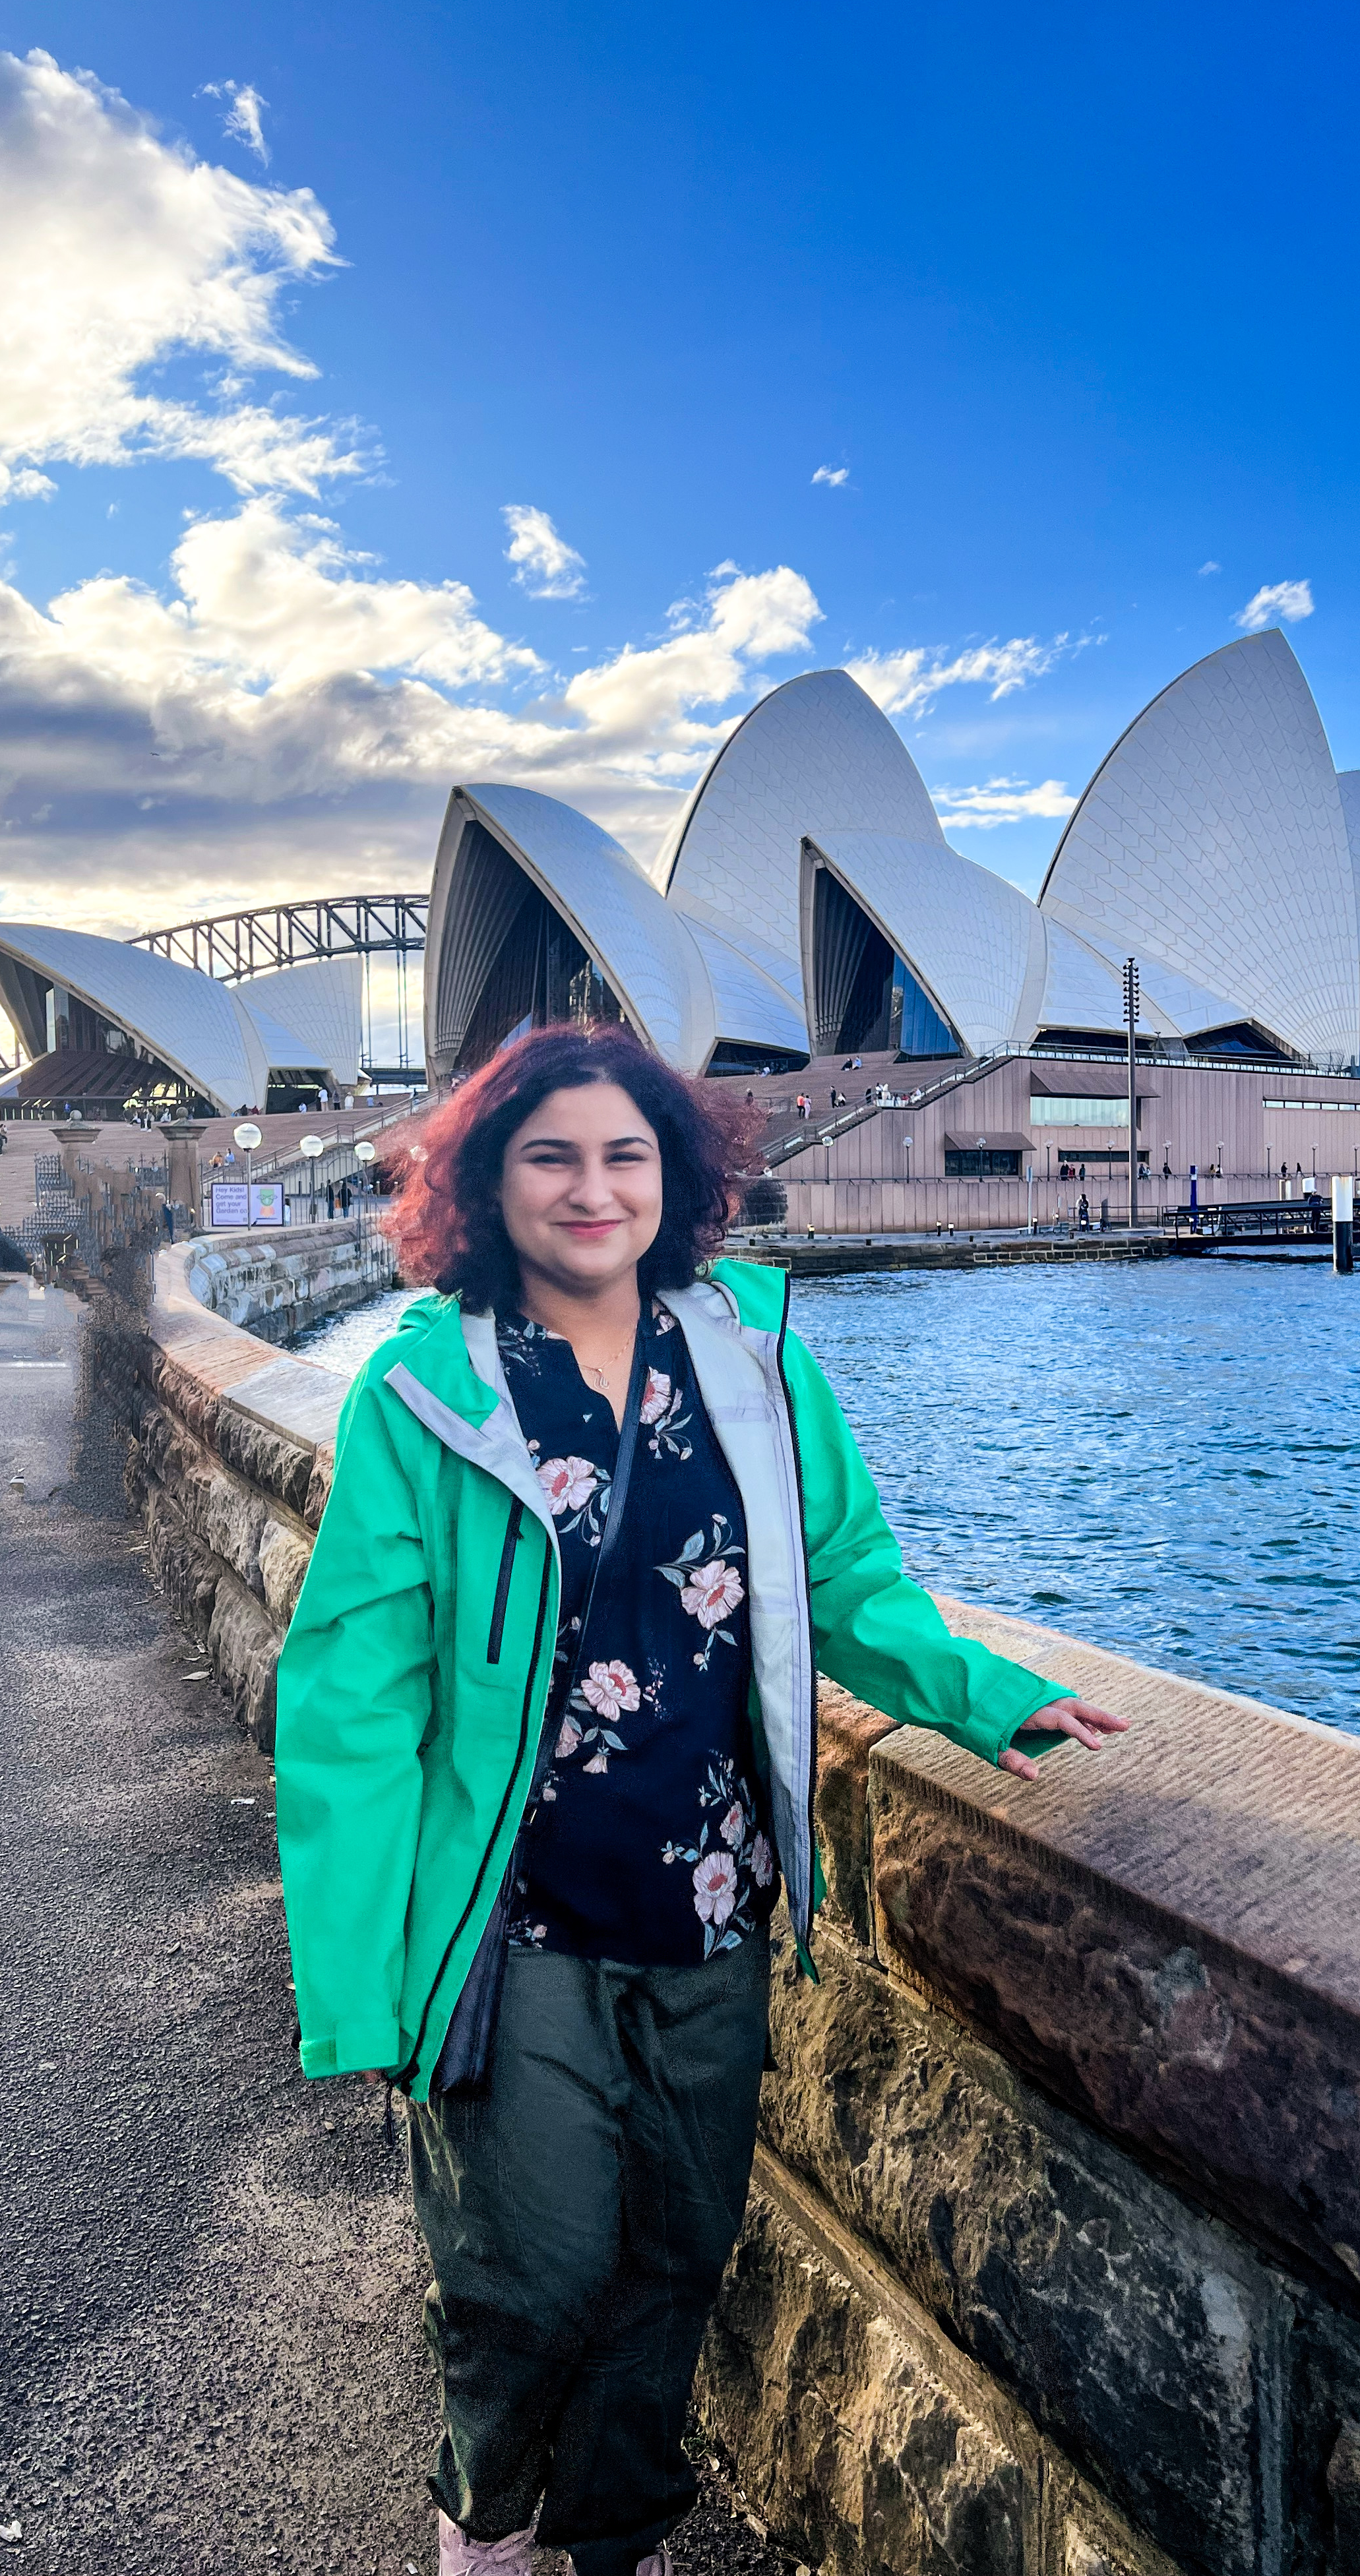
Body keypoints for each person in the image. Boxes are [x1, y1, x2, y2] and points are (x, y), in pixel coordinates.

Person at [273, 1026, 1127, 2576]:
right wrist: (356, 1987)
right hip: (507, 1915)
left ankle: (613, 2542)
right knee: (524, 2264)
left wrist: (987, 1693)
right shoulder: (424, 1393)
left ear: (674, 1178)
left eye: (625, 1156)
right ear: (485, 1180)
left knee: (674, 2252)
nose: (592, 1189)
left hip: (712, 1902)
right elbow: (352, 1700)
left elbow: (846, 1576)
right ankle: (490, 2523)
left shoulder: (751, 1352)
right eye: (551, 1156)